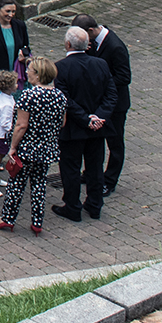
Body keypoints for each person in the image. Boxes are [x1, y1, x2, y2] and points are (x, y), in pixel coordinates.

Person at [0, 57, 68, 235]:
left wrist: (13, 147)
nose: (26, 73)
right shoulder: (60, 96)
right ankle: (37, 221)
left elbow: (21, 125)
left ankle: (7, 219)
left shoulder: (29, 96)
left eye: (30, 70)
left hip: (27, 148)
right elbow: (62, 122)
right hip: (47, 148)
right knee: (39, 184)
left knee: (17, 183)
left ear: (38, 75)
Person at [53, 26, 117, 222]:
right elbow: (111, 94)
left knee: (70, 169)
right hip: (97, 129)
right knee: (95, 167)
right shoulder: (101, 64)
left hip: (73, 128)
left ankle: (73, 206)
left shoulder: (60, 67)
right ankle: (95, 205)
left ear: (67, 44)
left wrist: (85, 118)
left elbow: (66, 100)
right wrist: (98, 117)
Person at [74, 14, 132, 195]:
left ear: (91, 31)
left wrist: (101, 82)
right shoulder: (92, 43)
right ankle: (92, 173)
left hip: (115, 106)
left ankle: (110, 180)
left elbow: (124, 77)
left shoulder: (115, 47)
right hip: (98, 102)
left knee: (114, 143)